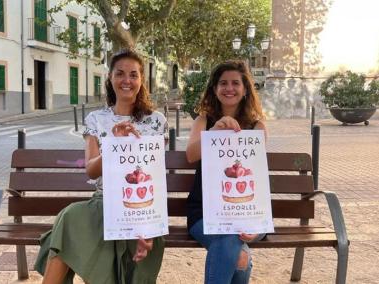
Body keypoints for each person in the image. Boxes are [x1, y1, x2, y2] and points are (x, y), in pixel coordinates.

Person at [34, 49, 168, 284]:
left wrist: (147, 228)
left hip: (140, 207)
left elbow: (155, 177)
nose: (127, 80)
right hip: (103, 201)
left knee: (73, 234)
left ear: (141, 80)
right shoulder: (96, 119)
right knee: (70, 217)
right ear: (110, 78)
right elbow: (92, 170)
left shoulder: (156, 121)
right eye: (120, 74)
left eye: (133, 75)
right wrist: (114, 145)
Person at [186, 60, 267, 284]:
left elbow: (257, 175)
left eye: (235, 83)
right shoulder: (203, 121)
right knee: (239, 254)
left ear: (245, 89)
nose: (229, 88)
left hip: (248, 213)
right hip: (204, 213)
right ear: (214, 89)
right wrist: (213, 132)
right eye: (223, 83)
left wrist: (255, 225)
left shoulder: (257, 127)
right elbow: (191, 155)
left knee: (234, 243)